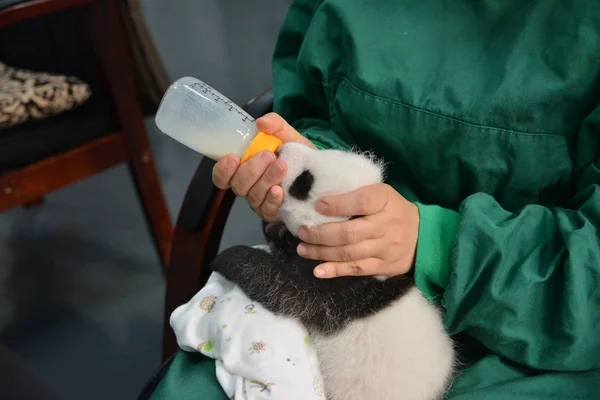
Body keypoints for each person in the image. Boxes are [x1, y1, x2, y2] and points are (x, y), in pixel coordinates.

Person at [152, 1, 600, 399]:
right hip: (339, 280)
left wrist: (434, 242)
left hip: (538, 320)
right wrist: (301, 172)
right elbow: (312, 110)